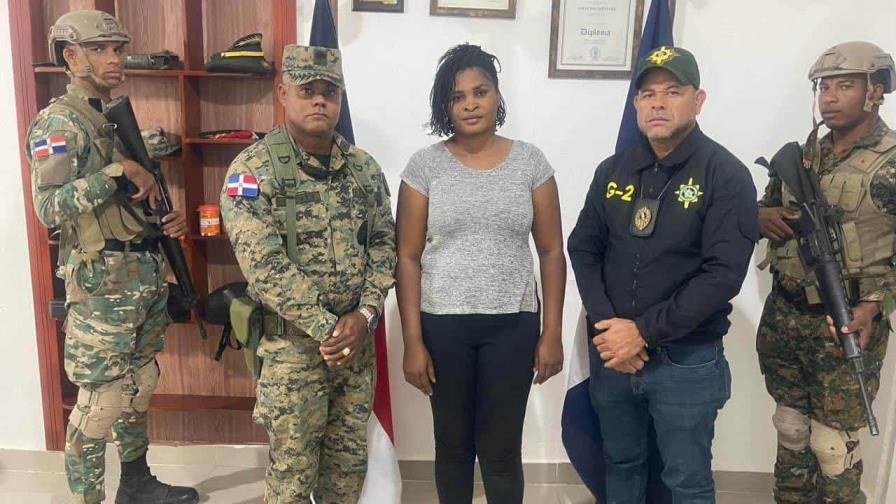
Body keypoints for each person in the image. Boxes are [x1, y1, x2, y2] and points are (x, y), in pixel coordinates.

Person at [567, 46, 758, 503]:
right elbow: (583, 246)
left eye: (673, 92)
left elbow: (721, 275)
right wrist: (609, 327)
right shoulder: (612, 171)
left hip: (685, 360)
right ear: (635, 104)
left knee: (687, 481)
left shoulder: (725, 175)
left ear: (698, 100)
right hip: (614, 355)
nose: (658, 104)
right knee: (621, 464)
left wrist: (641, 332)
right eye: (648, 94)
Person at [25, 10, 196, 504]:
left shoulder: (113, 118)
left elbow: (132, 203)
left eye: (118, 48)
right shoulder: (59, 122)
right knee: (100, 402)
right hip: (102, 281)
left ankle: (136, 483)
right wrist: (117, 173)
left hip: (140, 272)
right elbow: (49, 207)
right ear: (70, 56)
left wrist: (165, 221)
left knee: (140, 384)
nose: (115, 58)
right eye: (99, 49)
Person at [219, 44, 396, 504]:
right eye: (307, 90)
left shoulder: (363, 169)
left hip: (354, 352)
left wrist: (365, 315)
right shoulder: (252, 171)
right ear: (283, 93)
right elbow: (263, 265)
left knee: (346, 475)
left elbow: (384, 245)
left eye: (329, 92)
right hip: (293, 353)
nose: (320, 100)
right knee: (292, 480)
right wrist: (330, 329)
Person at [395, 43, 566, 504]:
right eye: (457, 96)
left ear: (497, 96)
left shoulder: (530, 162)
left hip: (512, 324)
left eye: (480, 91)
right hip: (442, 327)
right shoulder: (424, 166)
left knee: (502, 450)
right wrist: (413, 341)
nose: (470, 104)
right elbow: (407, 257)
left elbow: (552, 251)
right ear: (444, 106)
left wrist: (551, 332)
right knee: (452, 447)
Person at [756, 41, 896, 504]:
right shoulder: (803, 156)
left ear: (876, 90)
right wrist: (763, 217)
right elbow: (766, 207)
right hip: (786, 318)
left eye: (845, 86)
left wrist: (875, 305)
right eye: (824, 87)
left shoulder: (892, 162)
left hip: (847, 322)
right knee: (791, 428)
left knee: (833, 447)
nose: (830, 97)